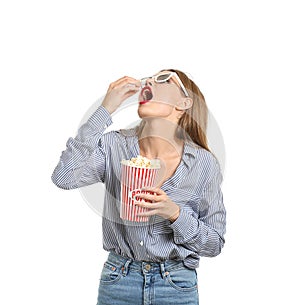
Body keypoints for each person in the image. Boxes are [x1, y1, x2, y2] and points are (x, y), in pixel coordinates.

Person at [51, 69, 226, 305]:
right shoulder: (113, 146)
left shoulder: (204, 164)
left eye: (163, 79)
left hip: (176, 285)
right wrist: (105, 110)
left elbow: (214, 243)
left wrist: (174, 214)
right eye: (150, 79)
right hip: (119, 280)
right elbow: (64, 177)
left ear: (184, 103)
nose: (151, 81)